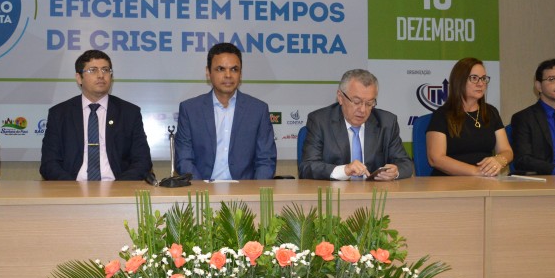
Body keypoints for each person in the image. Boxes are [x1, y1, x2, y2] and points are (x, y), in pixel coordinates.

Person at [40, 49, 152, 181]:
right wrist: (72, 187)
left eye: (105, 70)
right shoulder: (59, 114)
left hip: (117, 186)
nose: (101, 75)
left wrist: (118, 187)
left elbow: (142, 161)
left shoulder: (129, 113)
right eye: (93, 70)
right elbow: (49, 163)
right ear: (79, 78)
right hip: (73, 186)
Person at [174, 42, 276, 180]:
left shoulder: (258, 110)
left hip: (245, 190)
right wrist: (202, 189)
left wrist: (255, 190)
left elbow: (266, 160)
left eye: (234, 69)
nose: (228, 75)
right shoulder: (190, 110)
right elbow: (184, 159)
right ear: (208, 72)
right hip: (202, 189)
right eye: (220, 69)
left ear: (240, 74)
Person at [299, 69, 413, 180]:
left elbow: (405, 163)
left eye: (369, 103)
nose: (363, 110)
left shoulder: (387, 123)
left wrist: (395, 172)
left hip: (373, 191)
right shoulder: (320, 121)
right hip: (334, 191)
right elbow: (307, 166)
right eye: (357, 102)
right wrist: (344, 170)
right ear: (340, 97)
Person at [426, 57, 513, 176]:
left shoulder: (491, 112)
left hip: (485, 180)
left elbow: (506, 151)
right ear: (459, 81)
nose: (481, 83)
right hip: (449, 181)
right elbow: (435, 159)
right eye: (474, 78)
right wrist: (476, 171)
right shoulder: (442, 115)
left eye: (483, 78)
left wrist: (499, 160)